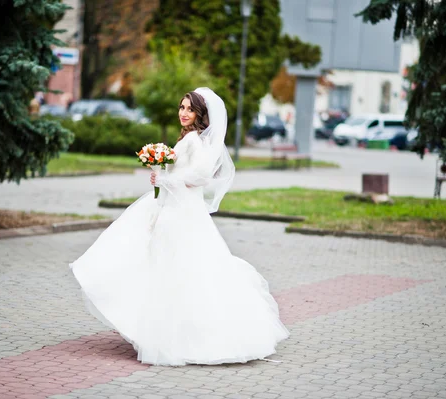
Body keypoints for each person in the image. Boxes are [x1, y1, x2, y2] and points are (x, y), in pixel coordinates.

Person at [70, 87, 289, 366]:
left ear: (200, 114)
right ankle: (163, 331)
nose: (184, 113)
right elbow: (182, 173)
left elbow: (199, 176)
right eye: (182, 107)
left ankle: (181, 338)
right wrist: (160, 174)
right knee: (167, 265)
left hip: (182, 211)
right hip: (176, 206)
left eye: (190, 109)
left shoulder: (195, 141)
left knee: (179, 268)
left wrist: (165, 180)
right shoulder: (188, 139)